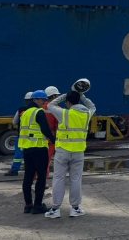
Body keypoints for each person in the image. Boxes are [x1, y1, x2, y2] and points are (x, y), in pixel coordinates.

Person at [45, 89, 96, 219]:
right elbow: (92, 106)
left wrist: (64, 95)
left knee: (59, 179)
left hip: (63, 151)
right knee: (76, 179)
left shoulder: (65, 114)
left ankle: (55, 209)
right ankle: (75, 208)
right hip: (78, 152)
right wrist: (81, 94)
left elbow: (50, 105)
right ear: (78, 100)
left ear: (67, 102)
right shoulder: (86, 114)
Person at [19, 90, 55, 214]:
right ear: (36, 100)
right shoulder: (38, 112)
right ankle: (38, 206)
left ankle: (28, 205)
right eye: (43, 100)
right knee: (41, 177)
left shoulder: (25, 113)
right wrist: (54, 140)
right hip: (39, 148)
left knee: (28, 177)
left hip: (27, 149)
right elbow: (45, 130)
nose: (44, 102)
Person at [5, 91, 34, 176]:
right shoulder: (38, 111)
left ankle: (14, 170)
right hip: (33, 137)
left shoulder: (21, 109)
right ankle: (31, 170)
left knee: (18, 154)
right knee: (31, 154)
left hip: (21, 136)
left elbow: (14, 122)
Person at [43, 86, 61, 176]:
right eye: (57, 95)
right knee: (47, 158)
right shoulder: (55, 108)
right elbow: (58, 125)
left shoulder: (41, 106)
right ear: (53, 96)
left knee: (39, 158)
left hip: (40, 136)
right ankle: (44, 176)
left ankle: (35, 175)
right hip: (51, 137)